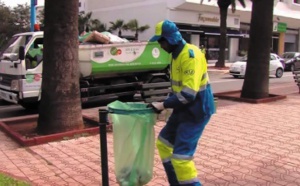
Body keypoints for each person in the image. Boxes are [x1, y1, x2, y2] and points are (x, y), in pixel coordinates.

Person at [148, 20, 215, 186]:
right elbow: (178, 88)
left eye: (161, 41)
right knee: (163, 144)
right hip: (182, 109)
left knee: (181, 158)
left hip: (197, 111)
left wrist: (163, 105)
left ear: (170, 39)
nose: (160, 45)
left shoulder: (190, 56)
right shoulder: (175, 55)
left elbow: (188, 94)